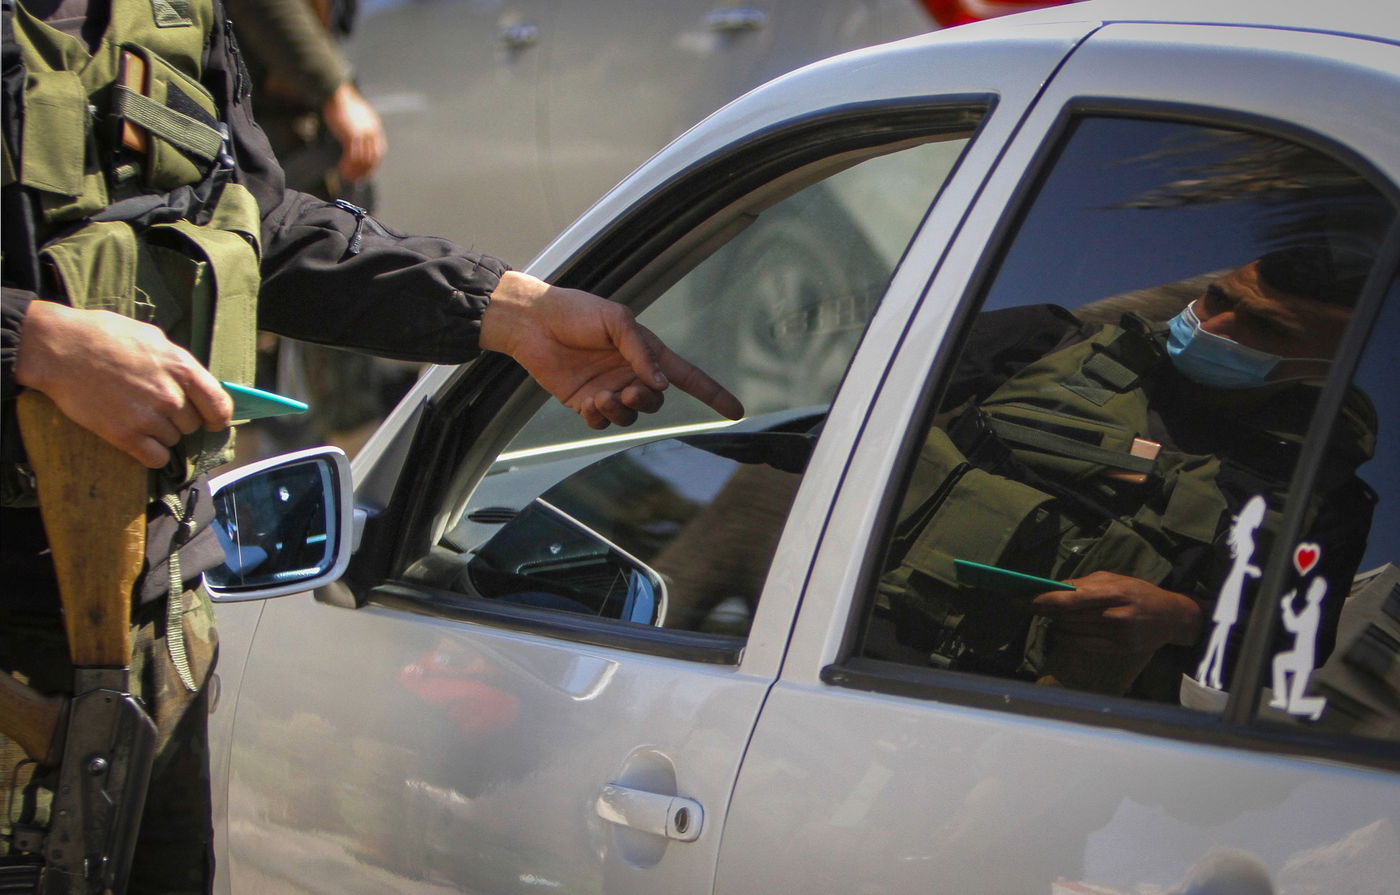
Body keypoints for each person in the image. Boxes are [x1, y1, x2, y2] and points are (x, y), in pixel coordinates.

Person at [0, 0, 741, 891]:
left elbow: (263, 227)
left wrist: (509, 311)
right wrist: (34, 343)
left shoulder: (170, 14)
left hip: (149, 626)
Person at [876, 247, 1374, 700]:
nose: (1214, 324)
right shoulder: (1047, 340)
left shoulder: (1321, 496)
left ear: (1325, 363)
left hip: (1036, 716)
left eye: (1265, 326)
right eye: (1218, 298)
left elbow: (1293, 646)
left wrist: (1184, 619)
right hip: (862, 628)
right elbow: (862, 406)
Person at [227, 0, 414, 456]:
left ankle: (354, 470)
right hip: (260, 137)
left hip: (281, 138)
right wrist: (336, 92)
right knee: (311, 292)